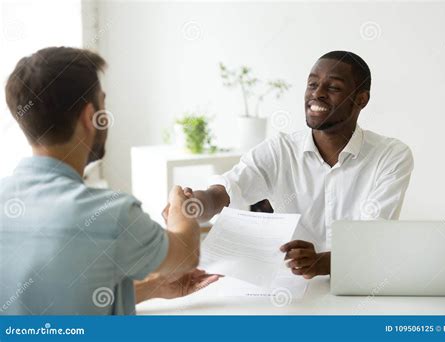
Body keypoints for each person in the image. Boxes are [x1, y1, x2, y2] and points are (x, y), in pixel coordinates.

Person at [0, 47, 219, 315]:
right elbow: (186, 255)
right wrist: (180, 205)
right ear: (89, 116)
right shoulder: (111, 214)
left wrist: (154, 288)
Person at [168, 51, 414, 280]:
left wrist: (321, 263)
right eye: (312, 84)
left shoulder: (391, 156)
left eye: (334, 87)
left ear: (361, 99)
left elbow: (374, 239)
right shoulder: (280, 150)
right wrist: (193, 205)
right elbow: (226, 190)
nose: (317, 94)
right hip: (291, 288)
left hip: (361, 284)